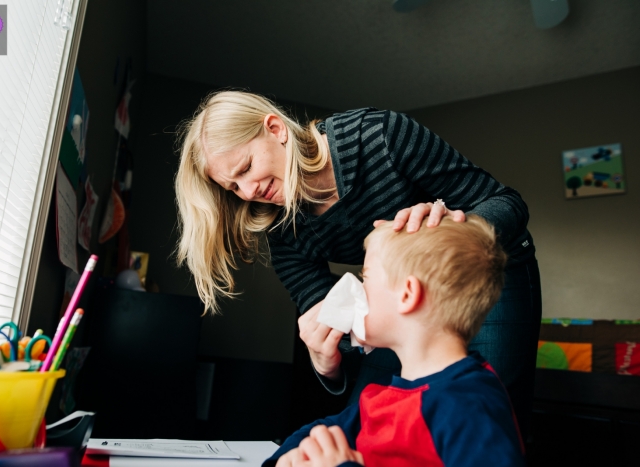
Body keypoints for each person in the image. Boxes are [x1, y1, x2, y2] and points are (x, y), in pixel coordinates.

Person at [174, 91, 541, 438]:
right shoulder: (279, 229)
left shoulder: (379, 135)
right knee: (368, 421)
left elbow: (507, 203)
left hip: (491, 270)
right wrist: (328, 365)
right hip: (400, 301)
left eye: (246, 168)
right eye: (233, 187)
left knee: (490, 412)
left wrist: (449, 226)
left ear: (276, 129)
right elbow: (339, 326)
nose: (249, 192)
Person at [263, 217, 525, 467]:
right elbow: (322, 431)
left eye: (366, 278)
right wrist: (285, 459)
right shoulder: (389, 395)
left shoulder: (469, 408)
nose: (358, 289)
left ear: (407, 294)